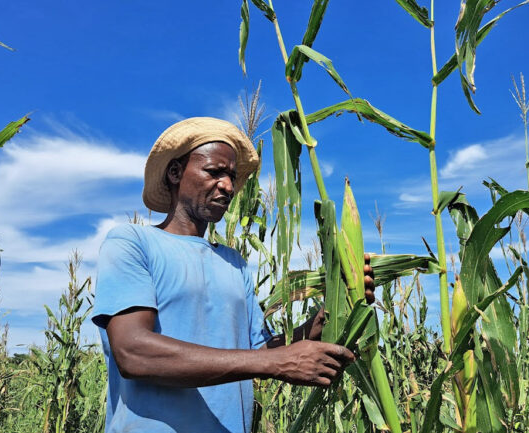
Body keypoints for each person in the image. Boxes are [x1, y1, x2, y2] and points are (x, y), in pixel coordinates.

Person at [91, 117, 375, 433]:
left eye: (231, 176)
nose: (228, 185)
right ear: (175, 173)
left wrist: (325, 317)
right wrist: (277, 364)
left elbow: (260, 352)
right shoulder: (132, 243)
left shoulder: (234, 262)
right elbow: (133, 352)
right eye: (214, 172)